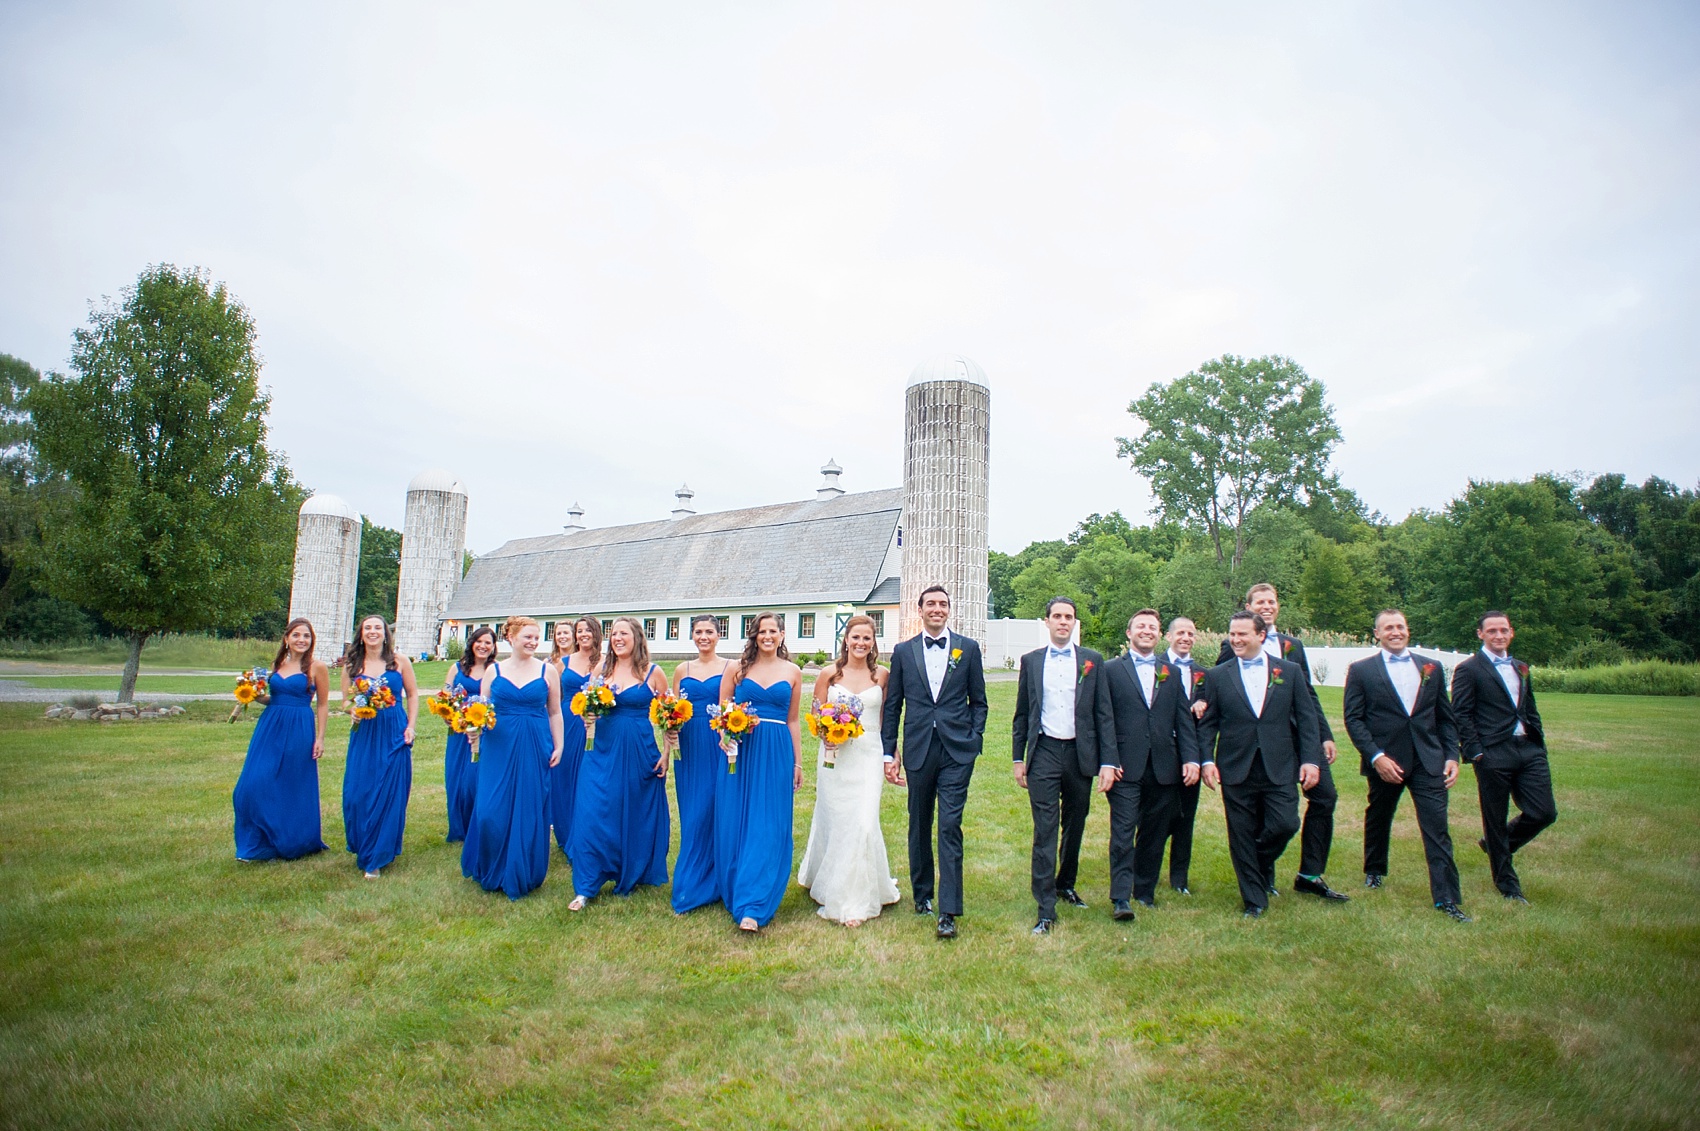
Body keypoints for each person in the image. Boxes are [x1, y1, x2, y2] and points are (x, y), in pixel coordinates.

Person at [1216, 583, 1348, 901]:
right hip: (1251, 742)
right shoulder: (1231, 645)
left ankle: (1308, 873)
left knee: (1323, 798)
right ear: (1248, 607)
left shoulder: (1292, 646)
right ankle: (1264, 879)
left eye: (1271, 601)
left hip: (1293, 740)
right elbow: (1221, 686)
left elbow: (1307, 696)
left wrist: (1323, 737)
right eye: (1259, 601)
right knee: (1257, 810)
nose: (1266, 605)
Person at [1342, 609, 1468, 920]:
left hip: (1429, 759)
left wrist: (1452, 755)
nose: (1395, 632)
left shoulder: (1431, 667)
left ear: (1408, 630)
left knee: (1437, 828)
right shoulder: (1361, 670)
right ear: (1377, 634)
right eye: (1388, 628)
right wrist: (1376, 756)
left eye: (1400, 626)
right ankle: (1374, 868)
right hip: (1386, 759)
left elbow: (1444, 718)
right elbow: (1354, 719)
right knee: (1379, 814)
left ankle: (1447, 899)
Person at [1197, 611, 1322, 918]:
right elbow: (1208, 724)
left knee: (1285, 823)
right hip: (1236, 765)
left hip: (1279, 763)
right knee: (1240, 833)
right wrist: (1206, 760)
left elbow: (1306, 720)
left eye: (1242, 634)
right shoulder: (1217, 675)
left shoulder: (1289, 672)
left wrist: (1310, 760)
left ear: (1261, 636)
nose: (1236, 640)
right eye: (1232, 634)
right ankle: (1254, 900)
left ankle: (1259, 861)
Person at [882, 584, 988, 941]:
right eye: (931, 604)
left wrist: (975, 739)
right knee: (919, 823)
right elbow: (893, 705)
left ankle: (948, 910)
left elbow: (980, 702)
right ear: (920, 610)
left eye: (943, 604)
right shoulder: (903, 652)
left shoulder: (967, 649)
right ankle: (922, 895)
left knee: (949, 826)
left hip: (958, 751)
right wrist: (889, 751)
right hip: (918, 749)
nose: (937, 609)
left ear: (949, 610)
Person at [1010, 597, 1113, 935]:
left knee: (1076, 821)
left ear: (1074, 623)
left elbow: (1103, 715)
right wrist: (1017, 758)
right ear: (1047, 622)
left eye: (1069, 617)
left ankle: (1065, 883)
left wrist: (1108, 761)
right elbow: (1022, 714)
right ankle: (1045, 908)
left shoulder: (1092, 661)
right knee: (1045, 829)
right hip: (1044, 754)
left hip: (1080, 755)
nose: (1063, 622)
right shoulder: (1032, 661)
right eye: (1057, 616)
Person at [798, 614, 900, 926]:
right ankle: (826, 879)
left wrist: (892, 754)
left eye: (866, 638)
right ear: (846, 639)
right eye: (855, 637)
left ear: (873, 642)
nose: (860, 643)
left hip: (868, 755)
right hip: (835, 756)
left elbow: (887, 719)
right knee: (836, 820)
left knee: (864, 823)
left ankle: (855, 900)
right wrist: (826, 733)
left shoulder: (882, 675)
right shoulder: (829, 674)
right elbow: (814, 716)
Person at [1451, 611, 1557, 904]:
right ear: (1480, 634)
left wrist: (1540, 744)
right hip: (1493, 752)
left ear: (1511, 633)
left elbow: (1529, 708)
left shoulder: (1521, 667)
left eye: (1504, 630)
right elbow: (1460, 713)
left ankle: (1496, 846)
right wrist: (1475, 751)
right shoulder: (1469, 669)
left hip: (1528, 749)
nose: (1499, 635)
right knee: (1494, 819)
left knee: (1544, 812)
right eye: (1492, 631)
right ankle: (1508, 886)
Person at [1101, 609, 1200, 919]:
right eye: (1140, 626)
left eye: (1153, 627)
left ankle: (1144, 891)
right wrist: (1108, 760)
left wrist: (1192, 759)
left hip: (1163, 766)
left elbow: (1183, 719)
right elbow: (1104, 719)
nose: (1147, 631)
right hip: (1124, 766)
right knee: (1123, 830)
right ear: (1129, 633)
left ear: (1159, 635)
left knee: (1155, 833)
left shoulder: (1170, 672)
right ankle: (1121, 898)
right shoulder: (1111, 670)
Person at [567, 617, 671, 910]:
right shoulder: (602, 669)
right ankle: (586, 884)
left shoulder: (653, 672)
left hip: (640, 751)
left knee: (634, 811)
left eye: (624, 633)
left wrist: (666, 754)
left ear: (637, 637)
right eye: (614, 634)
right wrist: (587, 717)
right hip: (602, 749)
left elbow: (670, 716)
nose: (617, 638)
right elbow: (586, 706)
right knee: (593, 811)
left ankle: (632, 870)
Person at [461, 617, 563, 899]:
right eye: (527, 637)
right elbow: (480, 710)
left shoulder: (547, 671)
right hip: (498, 745)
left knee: (528, 808)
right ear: (511, 638)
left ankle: (523, 871)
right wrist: (474, 735)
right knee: (489, 811)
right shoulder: (494, 671)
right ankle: (492, 865)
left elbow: (555, 712)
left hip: (534, 743)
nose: (532, 642)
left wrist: (559, 745)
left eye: (536, 637)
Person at [714, 612, 804, 931]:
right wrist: (724, 734)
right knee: (738, 818)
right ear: (754, 635)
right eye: (761, 631)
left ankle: (755, 902)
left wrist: (797, 762)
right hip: (744, 749)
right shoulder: (738, 669)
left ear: (782, 635)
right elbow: (723, 711)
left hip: (777, 748)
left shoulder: (793, 672)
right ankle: (736, 882)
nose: (767, 636)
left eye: (773, 631)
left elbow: (793, 720)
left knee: (769, 821)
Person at [232, 617, 330, 861]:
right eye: (296, 635)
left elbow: (323, 704)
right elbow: (273, 698)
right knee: (250, 786)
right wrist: (254, 696)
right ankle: (258, 842)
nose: (301, 640)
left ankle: (293, 841)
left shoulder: (316, 667)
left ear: (311, 641)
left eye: (306, 636)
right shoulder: (278, 665)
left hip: (299, 728)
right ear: (287, 638)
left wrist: (320, 738)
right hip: (270, 727)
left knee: (291, 785)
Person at [340, 615, 418, 878]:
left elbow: (413, 694)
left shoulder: (399, 661)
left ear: (386, 633)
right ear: (361, 634)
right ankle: (363, 841)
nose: (373, 632)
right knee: (358, 792)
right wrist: (352, 712)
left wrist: (411, 725)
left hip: (394, 729)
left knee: (389, 790)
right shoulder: (352, 664)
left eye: (378, 628)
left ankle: (377, 855)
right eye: (367, 628)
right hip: (365, 732)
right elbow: (345, 701)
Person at [670, 614, 730, 914]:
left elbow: (728, 706)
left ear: (718, 635)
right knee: (692, 810)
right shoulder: (683, 669)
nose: (703, 636)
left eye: (709, 631)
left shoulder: (730, 667)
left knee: (714, 806)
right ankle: (692, 879)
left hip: (717, 741)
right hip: (689, 744)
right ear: (692, 635)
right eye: (698, 632)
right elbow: (674, 708)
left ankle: (717, 879)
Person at [1159, 615, 1205, 894]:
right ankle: (1145, 864)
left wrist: (1204, 702)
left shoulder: (1203, 674)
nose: (1186, 638)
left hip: (1191, 751)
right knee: (1157, 814)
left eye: (1191, 634)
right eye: (1181, 633)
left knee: (1186, 816)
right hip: (1161, 750)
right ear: (1169, 636)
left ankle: (1179, 878)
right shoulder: (1154, 667)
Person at [550, 618, 600, 859]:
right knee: (565, 777)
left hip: (594, 726)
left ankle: (587, 834)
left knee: (589, 778)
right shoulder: (563, 663)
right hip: (568, 724)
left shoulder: (604, 662)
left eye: (588, 630)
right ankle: (566, 832)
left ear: (596, 633)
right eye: (579, 631)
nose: (583, 634)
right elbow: (549, 698)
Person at [442, 626, 495, 843]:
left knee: (476, 777)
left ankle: (478, 821)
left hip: (484, 732)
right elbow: (445, 694)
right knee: (456, 777)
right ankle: (458, 827)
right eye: (479, 641)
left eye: (488, 643)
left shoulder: (496, 669)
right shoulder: (457, 668)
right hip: (458, 730)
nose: (483, 646)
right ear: (472, 643)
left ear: (493, 648)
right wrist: (446, 712)